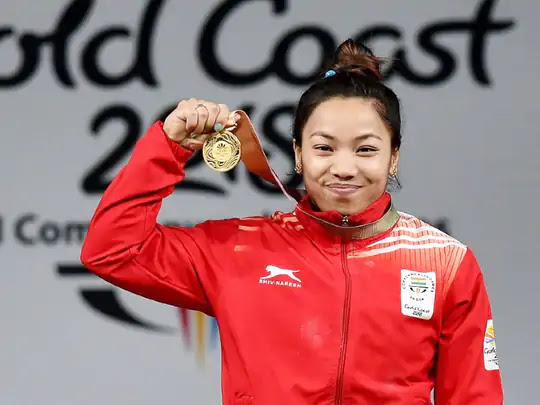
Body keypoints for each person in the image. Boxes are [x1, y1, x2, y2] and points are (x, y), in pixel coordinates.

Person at [80, 39, 503, 404]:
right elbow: (113, 250)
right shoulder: (238, 250)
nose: (344, 168)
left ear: (394, 156)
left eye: (365, 150)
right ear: (298, 153)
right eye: (324, 148)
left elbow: (474, 396)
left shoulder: (444, 263)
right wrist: (169, 148)